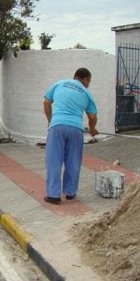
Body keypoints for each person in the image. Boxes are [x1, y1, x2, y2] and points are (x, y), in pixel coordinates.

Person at [43, 67, 98, 204]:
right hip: (76, 129)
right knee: (73, 160)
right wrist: (92, 129)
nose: (88, 84)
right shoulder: (86, 93)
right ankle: (70, 192)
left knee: (53, 160)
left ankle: (53, 195)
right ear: (84, 79)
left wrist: (51, 120)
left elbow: (46, 102)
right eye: (89, 81)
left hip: (57, 126)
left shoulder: (59, 83)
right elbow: (92, 116)